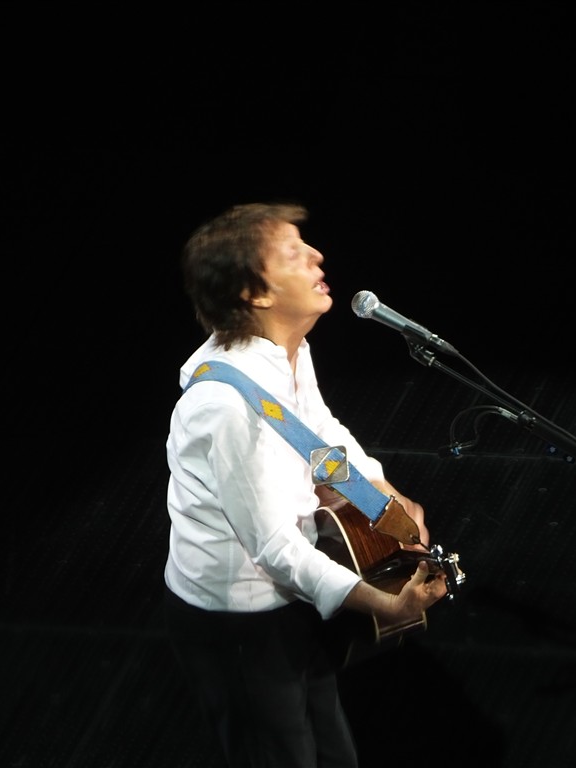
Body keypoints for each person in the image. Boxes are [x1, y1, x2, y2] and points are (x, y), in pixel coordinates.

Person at [162, 201, 449, 768]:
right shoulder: (227, 408)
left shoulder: (288, 352)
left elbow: (318, 433)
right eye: (293, 253)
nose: (317, 255)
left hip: (289, 597)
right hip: (238, 622)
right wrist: (383, 603)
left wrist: (384, 498)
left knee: (331, 750)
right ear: (255, 294)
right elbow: (274, 547)